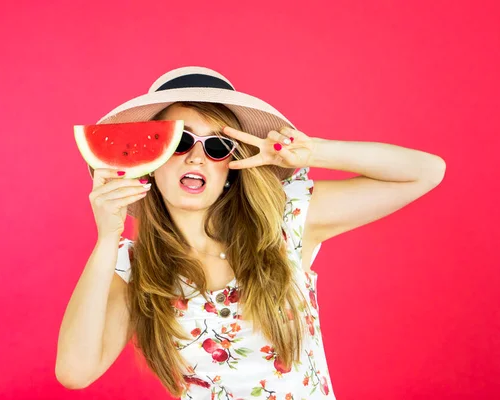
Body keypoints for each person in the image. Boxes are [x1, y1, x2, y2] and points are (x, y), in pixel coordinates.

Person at [55, 66, 446, 399]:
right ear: (150, 164)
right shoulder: (135, 266)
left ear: (231, 166)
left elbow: (425, 172)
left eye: (218, 146)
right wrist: (107, 237)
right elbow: (75, 372)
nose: (196, 156)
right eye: (180, 140)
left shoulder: (284, 221)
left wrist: (311, 151)